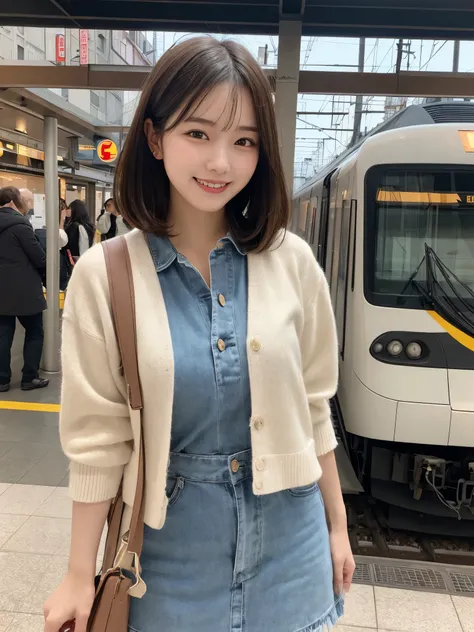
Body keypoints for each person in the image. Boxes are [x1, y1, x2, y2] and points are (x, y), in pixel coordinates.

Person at [44, 37, 354, 632]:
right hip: (165, 562)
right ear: (155, 137)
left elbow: (315, 409)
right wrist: (79, 573)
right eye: (198, 134)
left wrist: (337, 528)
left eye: (243, 142)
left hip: (293, 551)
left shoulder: (293, 262)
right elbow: (97, 441)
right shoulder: (104, 275)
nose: (220, 162)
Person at [0, 186, 49, 392]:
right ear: (12, 202)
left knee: (3, 335)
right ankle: (29, 377)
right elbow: (39, 257)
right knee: (35, 332)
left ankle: (2, 381)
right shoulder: (20, 225)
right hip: (24, 291)